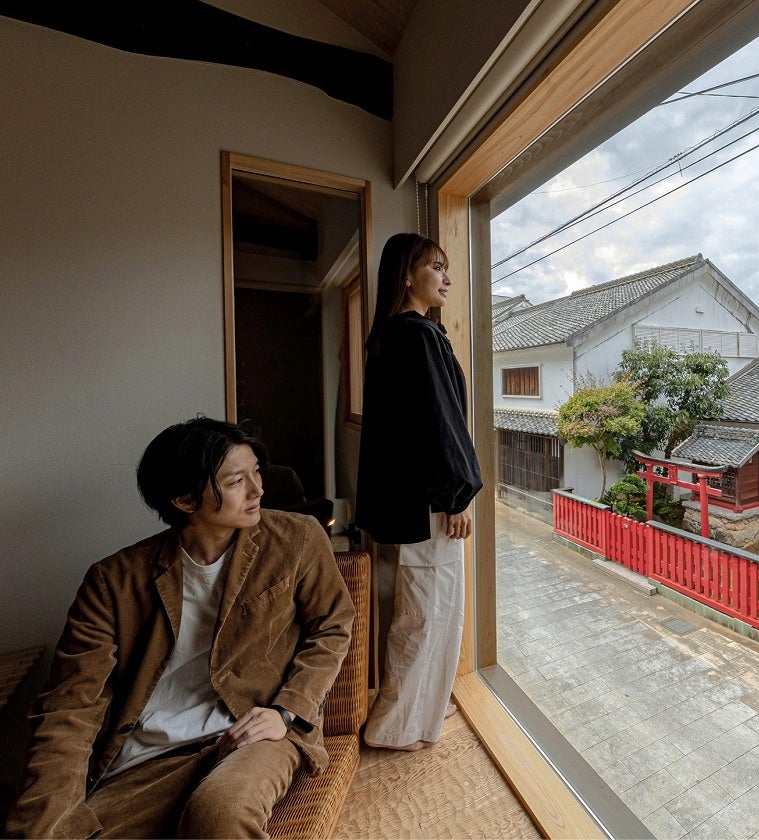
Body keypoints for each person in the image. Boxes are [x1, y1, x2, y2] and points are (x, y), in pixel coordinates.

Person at [7, 418, 354, 839]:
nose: (258, 489)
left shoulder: (296, 538)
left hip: (252, 731)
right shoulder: (112, 581)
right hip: (148, 756)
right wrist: (45, 823)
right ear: (185, 500)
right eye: (236, 480)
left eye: (256, 472)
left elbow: (333, 625)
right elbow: (69, 707)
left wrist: (287, 709)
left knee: (218, 816)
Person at [355, 233, 482, 751]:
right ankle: (395, 725)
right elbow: (439, 423)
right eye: (437, 267)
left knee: (423, 613)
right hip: (431, 504)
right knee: (430, 616)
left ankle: (417, 712)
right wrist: (457, 495)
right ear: (408, 275)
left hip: (415, 500)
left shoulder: (395, 335)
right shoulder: (417, 336)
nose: (447, 278)